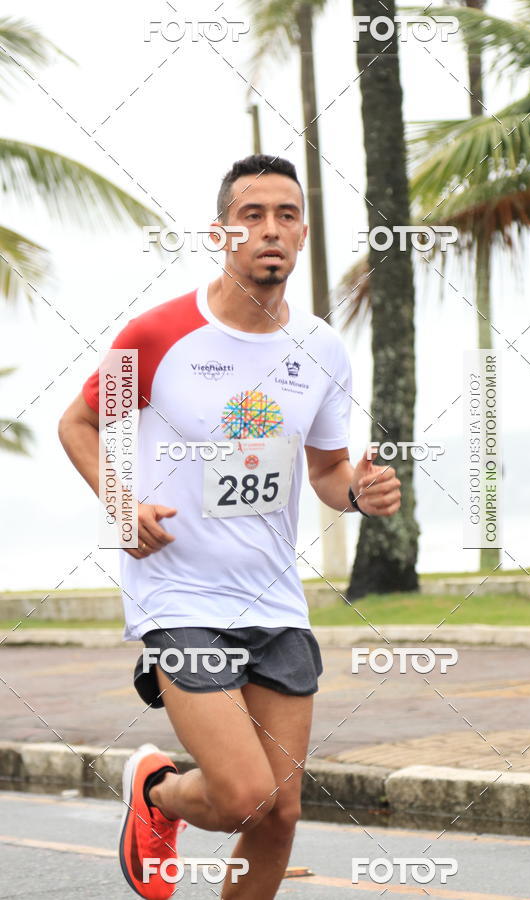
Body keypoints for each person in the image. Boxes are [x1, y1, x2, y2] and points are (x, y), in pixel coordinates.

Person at [58, 153, 402, 900]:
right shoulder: (159, 335)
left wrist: (360, 493)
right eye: (252, 215)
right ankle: (157, 793)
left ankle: (164, 800)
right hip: (179, 594)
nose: (270, 230)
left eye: (286, 216)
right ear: (221, 232)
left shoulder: (321, 348)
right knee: (245, 796)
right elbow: (79, 423)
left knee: (280, 814)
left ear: (303, 234)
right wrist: (121, 503)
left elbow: (327, 471)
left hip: (274, 599)